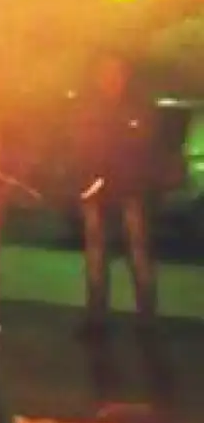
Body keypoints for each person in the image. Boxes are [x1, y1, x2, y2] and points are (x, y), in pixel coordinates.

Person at [77, 53, 159, 333]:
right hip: (103, 189)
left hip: (126, 189)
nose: (110, 78)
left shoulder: (134, 107)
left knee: (135, 253)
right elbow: (85, 144)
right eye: (105, 72)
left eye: (115, 72)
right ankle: (99, 316)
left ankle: (144, 317)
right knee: (99, 255)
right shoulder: (97, 107)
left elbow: (141, 144)